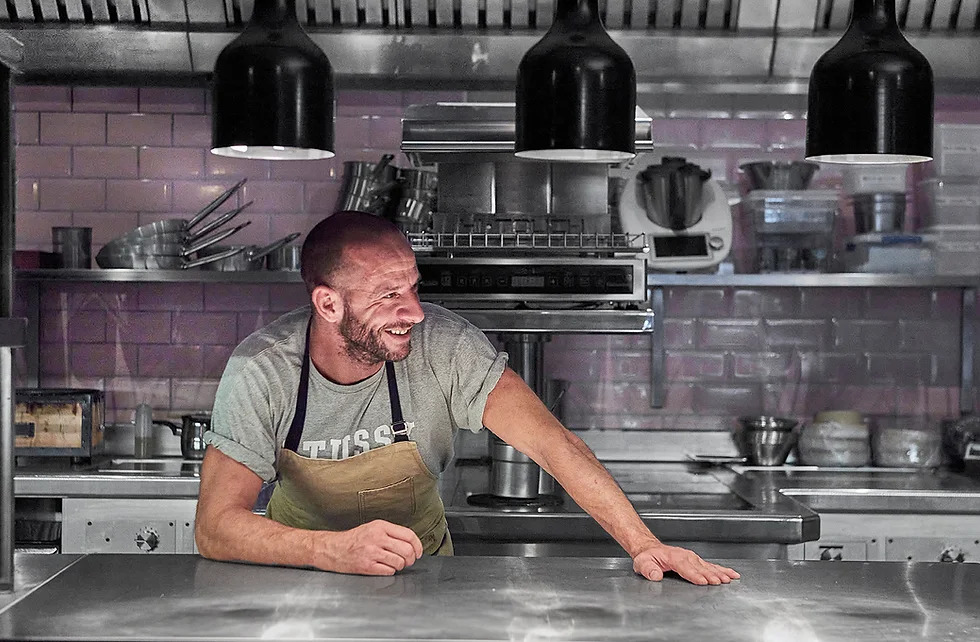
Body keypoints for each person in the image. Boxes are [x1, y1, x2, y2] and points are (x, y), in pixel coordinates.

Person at [195, 210, 740, 586]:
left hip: (421, 575)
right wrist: (328, 551)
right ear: (329, 304)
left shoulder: (444, 347)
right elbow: (215, 526)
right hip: (299, 575)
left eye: (413, 287)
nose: (414, 312)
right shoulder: (262, 370)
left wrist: (644, 544)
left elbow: (552, 443)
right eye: (389, 296)